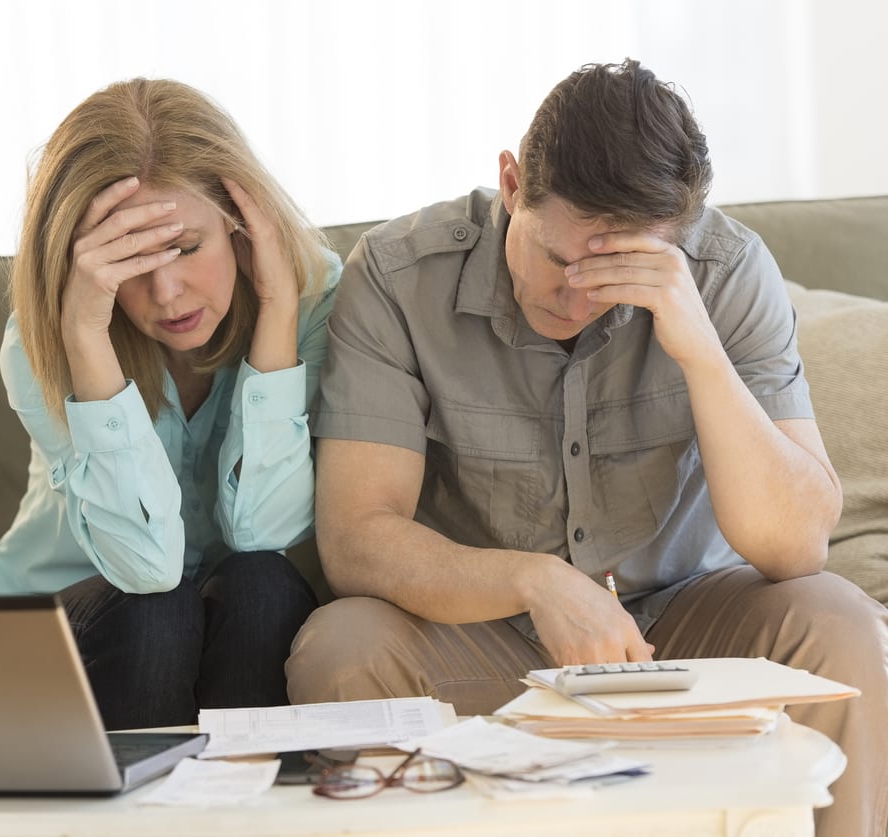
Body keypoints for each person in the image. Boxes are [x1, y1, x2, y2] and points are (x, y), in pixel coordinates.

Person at [286, 59, 887, 837]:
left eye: (617, 272)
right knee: (342, 647)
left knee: (839, 621)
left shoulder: (727, 271)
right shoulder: (399, 278)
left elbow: (797, 544)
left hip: (682, 621)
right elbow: (356, 540)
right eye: (561, 259)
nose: (577, 296)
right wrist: (534, 580)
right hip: (487, 628)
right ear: (510, 185)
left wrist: (698, 348)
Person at [0, 78, 340, 730]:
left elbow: (266, 531)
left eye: (186, 247)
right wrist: (87, 337)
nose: (167, 294)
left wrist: (279, 311)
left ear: (239, 222)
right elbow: (146, 565)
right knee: (158, 604)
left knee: (263, 584)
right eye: (130, 262)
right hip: (62, 624)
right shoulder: (40, 342)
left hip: (220, 624)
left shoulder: (312, 299)